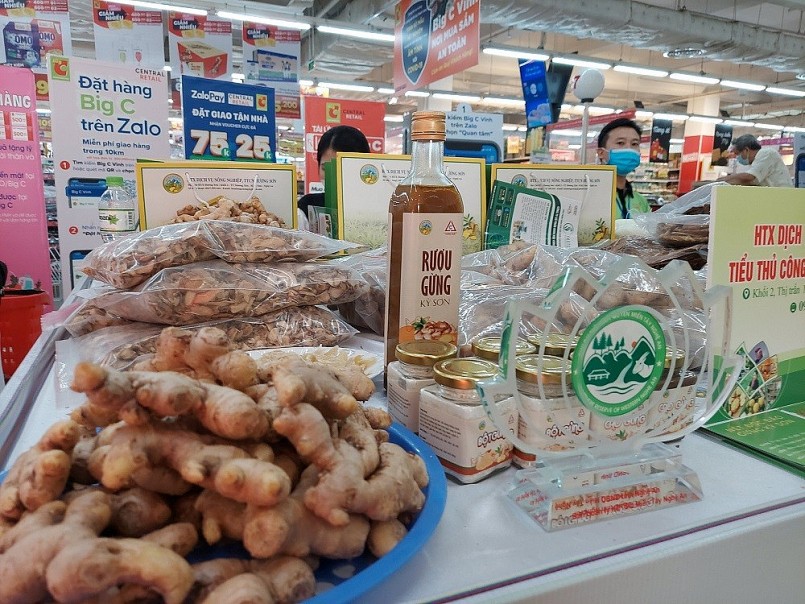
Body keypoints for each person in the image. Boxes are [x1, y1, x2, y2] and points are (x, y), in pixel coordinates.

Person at [297, 125, 371, 228]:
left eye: (342, 169)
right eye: (326, 168)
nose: (334, 177)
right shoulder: (306, 206)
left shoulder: (376, 208)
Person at [595, 117, 651, 219]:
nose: (629, 149)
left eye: (634, 144)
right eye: (620, 143)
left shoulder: (641, 201)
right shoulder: (589, 196)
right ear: (601, 153)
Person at [718, 134, 792, 187]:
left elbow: (749, 177)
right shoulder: (756, 162)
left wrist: (721, 181)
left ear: (746, 150)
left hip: (783, 197)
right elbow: (748, 181)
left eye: (737, 154)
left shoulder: (766, 153)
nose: (737, 158)